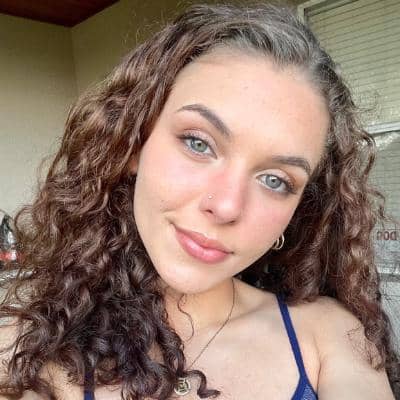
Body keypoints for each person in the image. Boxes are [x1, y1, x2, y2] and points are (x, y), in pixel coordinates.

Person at [0, 2, 398, 399]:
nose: (226, 206)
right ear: (134, 143)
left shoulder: (332, 338)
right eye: (198, 143)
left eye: (275, 180)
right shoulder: (24, 354)